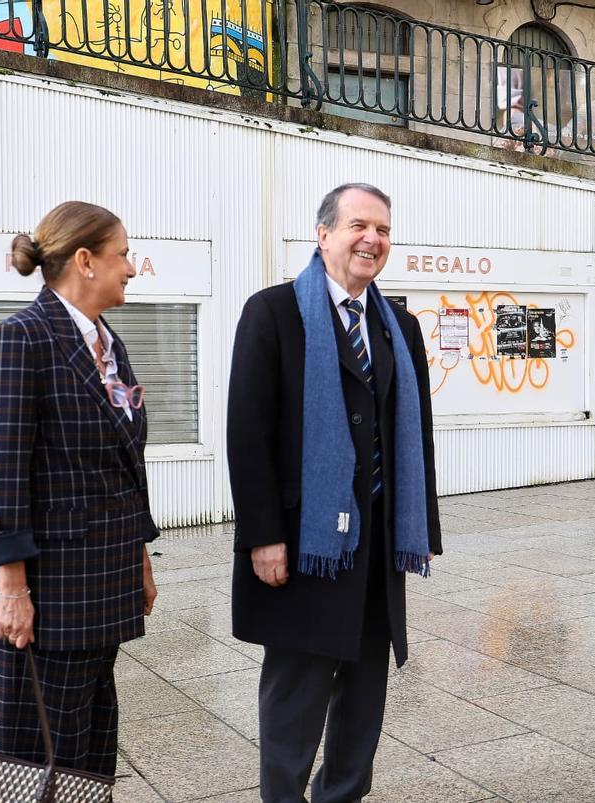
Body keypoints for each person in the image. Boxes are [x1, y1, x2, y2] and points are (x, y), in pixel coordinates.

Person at [227, 183, 443, 802]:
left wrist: (417, 529)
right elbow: (248, 434)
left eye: (382, 229)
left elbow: (415, 435)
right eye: (357, 226)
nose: (370, 239)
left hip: (376, 546)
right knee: (296, 696)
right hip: (304, 542)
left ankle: (342, 795)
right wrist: (263, 536)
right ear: (323, 235)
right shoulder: (271, 313)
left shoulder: (398, 325)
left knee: (363, 697)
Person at [0, 200, 158, 777]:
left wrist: (139, 556)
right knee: (36, 761)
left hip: (103, 587)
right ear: (85, 260)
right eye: (122, 254)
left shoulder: (108, 344)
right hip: (48, 597)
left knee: (89, 755)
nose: (131, 267)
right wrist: (12, 589)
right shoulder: (19, 341)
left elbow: (121, 468)